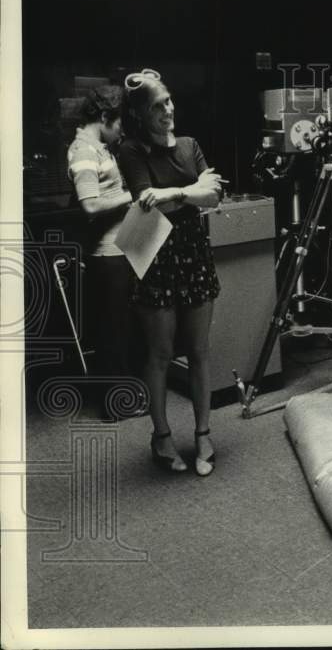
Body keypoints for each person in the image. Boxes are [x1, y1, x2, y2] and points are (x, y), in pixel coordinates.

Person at [116, 69, 223, 476]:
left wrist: (174, 192)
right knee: (160, 353)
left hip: (193, 253)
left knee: (199, 350)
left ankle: (203, 434)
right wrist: (190, 192)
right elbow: (148, 204)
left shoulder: (190, 145)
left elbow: (215, 195)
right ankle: (161, 436)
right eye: (157, 106)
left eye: (169, 101)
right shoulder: (131, 150)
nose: (168, 109)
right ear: (140, 114)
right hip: (155, 252)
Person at [66, 86, 134, 419]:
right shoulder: (83, 150)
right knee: (111, 330)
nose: (121, 130)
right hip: (105, 254)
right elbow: (90, 205)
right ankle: (113, 406)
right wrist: (133, 195)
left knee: (119, 326)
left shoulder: (98, 147)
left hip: (119, 246)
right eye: (119, 122)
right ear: (105, 116)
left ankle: (119, 399)